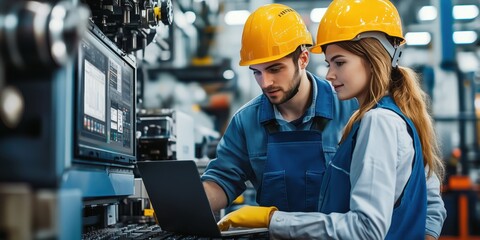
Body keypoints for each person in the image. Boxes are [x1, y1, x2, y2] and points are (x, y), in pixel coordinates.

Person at [203, 2, 446, 239]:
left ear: (303, 59)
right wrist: (175, 209)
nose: (265, 82)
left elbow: (418, 190)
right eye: (256, 72)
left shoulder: (361, 111)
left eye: (275, 69)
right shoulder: (246, 121)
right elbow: (222, 179)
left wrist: (426, 233)